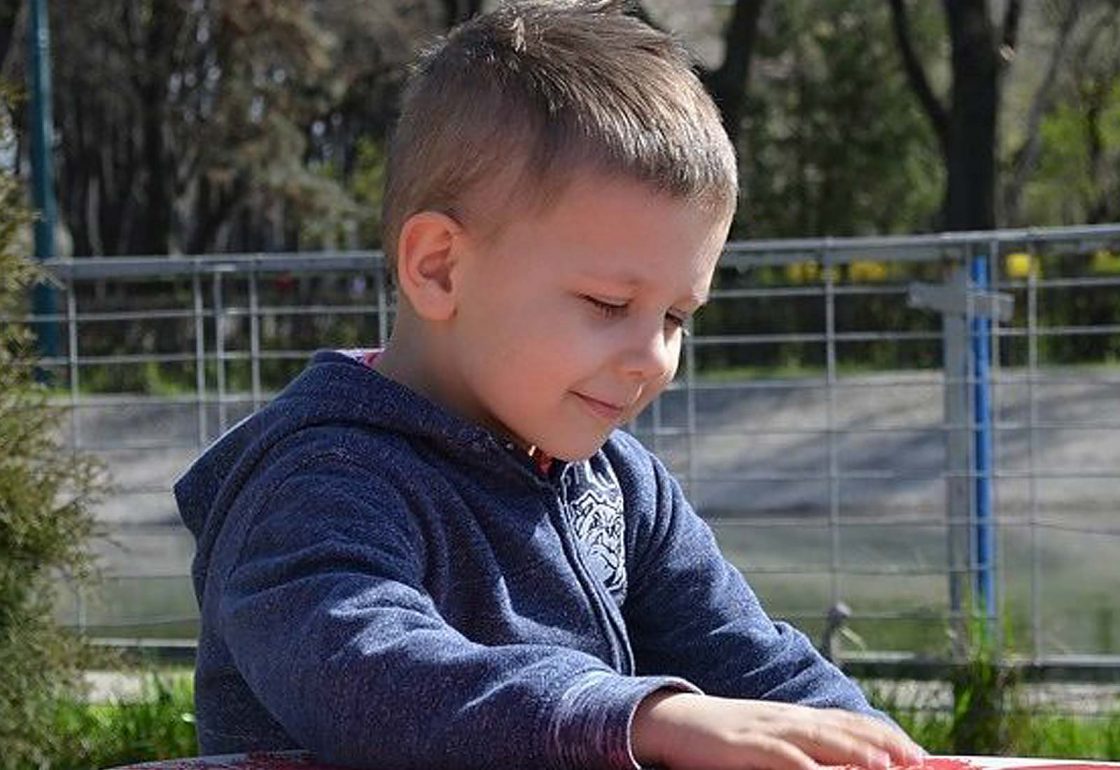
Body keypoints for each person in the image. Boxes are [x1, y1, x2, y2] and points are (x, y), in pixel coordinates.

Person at [174, 2, 927, 769]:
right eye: (608, 305)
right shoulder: (321, 483)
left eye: (675, 315)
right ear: (439, 267)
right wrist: (633, 720)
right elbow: (368, 677)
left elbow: (753, 663)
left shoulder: (621, 486)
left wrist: (873, 751)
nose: (652, 357)